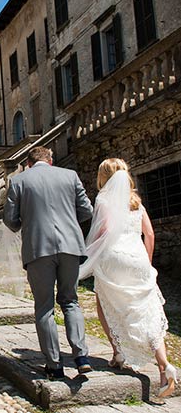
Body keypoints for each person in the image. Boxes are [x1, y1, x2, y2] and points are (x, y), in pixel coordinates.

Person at [79, 158, 177, 398]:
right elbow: (150, 234)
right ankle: (164, 366)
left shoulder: (103, 200)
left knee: (106, 303)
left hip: (114, 258)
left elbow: (105, 231)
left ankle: (118, 353)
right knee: (147, 310)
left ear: (104, 177)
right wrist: (147, 263)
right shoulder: (136, 202)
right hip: (138, 258)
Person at [3, 146, 93, 380]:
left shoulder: (19, 181)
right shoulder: (70, 175)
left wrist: (28, 220)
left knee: (44, 307)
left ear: (28, 162)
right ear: (50, 160)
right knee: (71, 301)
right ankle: (81, 356)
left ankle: (54, 364)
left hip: (38, 247)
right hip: (71, 246)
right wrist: (69, 221)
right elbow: (86, 210)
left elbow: (10, 221)